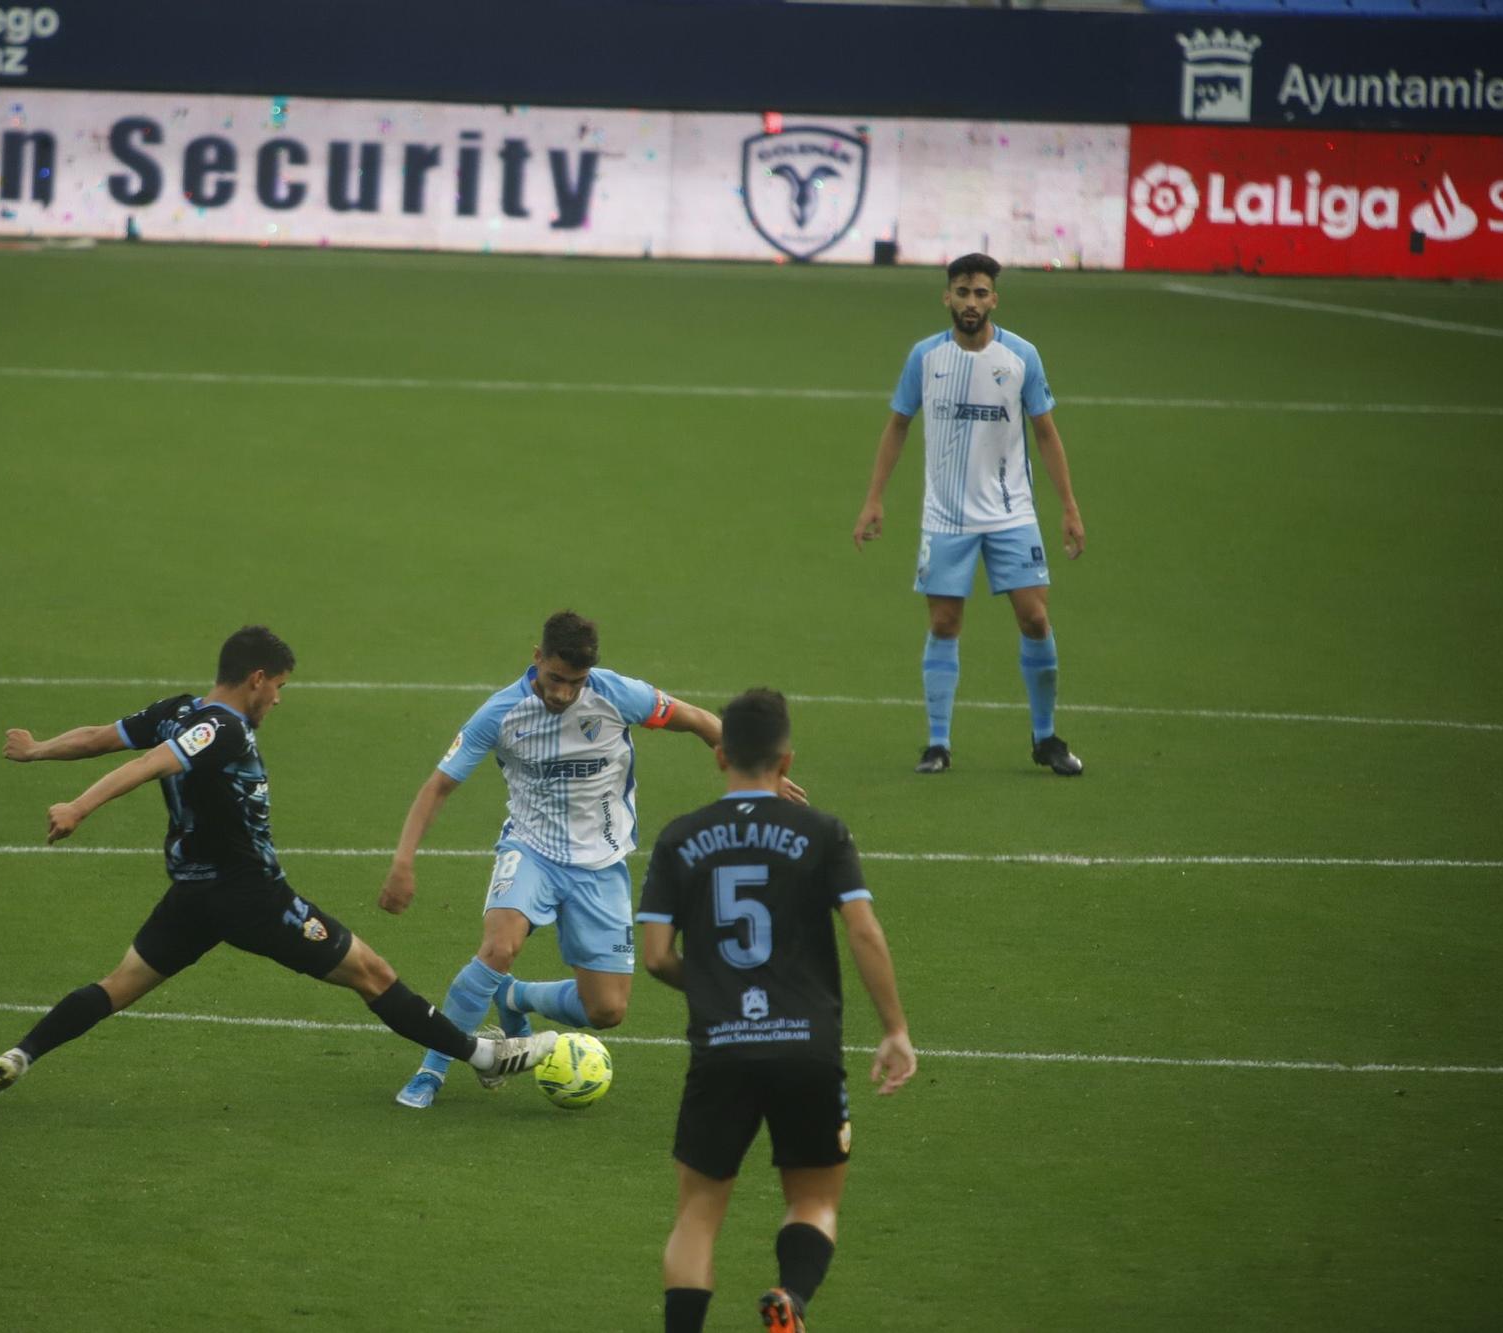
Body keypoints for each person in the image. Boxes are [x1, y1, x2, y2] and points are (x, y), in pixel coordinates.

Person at [0, 625, 555, 1108]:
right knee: (371, 972)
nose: (279, 699)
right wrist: (78, 806)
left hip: (191, 897)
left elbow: (105, 735)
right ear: (256, 678)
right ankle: (481, 1056)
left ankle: (18, 1057)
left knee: (116, 987)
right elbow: (150, 763)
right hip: (252, 898)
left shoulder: (177, 710)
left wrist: (38, 750)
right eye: (279, 687)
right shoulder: (220, 728)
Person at [377, 610, 801, 1109]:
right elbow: (438, 787)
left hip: (602, 865)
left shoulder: (617, 694)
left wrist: (760, 775)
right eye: (554, 678)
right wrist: (403, 861)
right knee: (498, 948)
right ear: (536, 658)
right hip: (530, 850)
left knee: (606, 1010)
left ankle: (516, 998)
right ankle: (434, 1069)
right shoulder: (499, 714)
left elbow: (701, 722)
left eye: (574, 683)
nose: (561, 693)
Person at [637, 688, 915, 1333]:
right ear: (786, 760)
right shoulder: (823, 832)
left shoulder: (680, 837)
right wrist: (895, 1029)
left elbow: (654, 957)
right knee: (814, 1201)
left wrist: (712, 988)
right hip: (808, 1046)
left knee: (698, 1214)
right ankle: (790, 1296)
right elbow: (865, 932)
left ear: (721, 756)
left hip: (722, 1049)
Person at [851, 252, 1088, 777]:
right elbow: (897, 426)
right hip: (946, 517)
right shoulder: (925, 357)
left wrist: (1069, 506)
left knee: (1035, 617)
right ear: (947, 297)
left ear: (994, 299)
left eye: (981, 293)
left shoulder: (1021, 356)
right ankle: (938, 743)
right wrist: (874, 498)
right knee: (944, 620)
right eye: (963, 292)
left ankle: (1045, 737)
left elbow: (1046, 433)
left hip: (1011, 513)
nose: (972, 302)